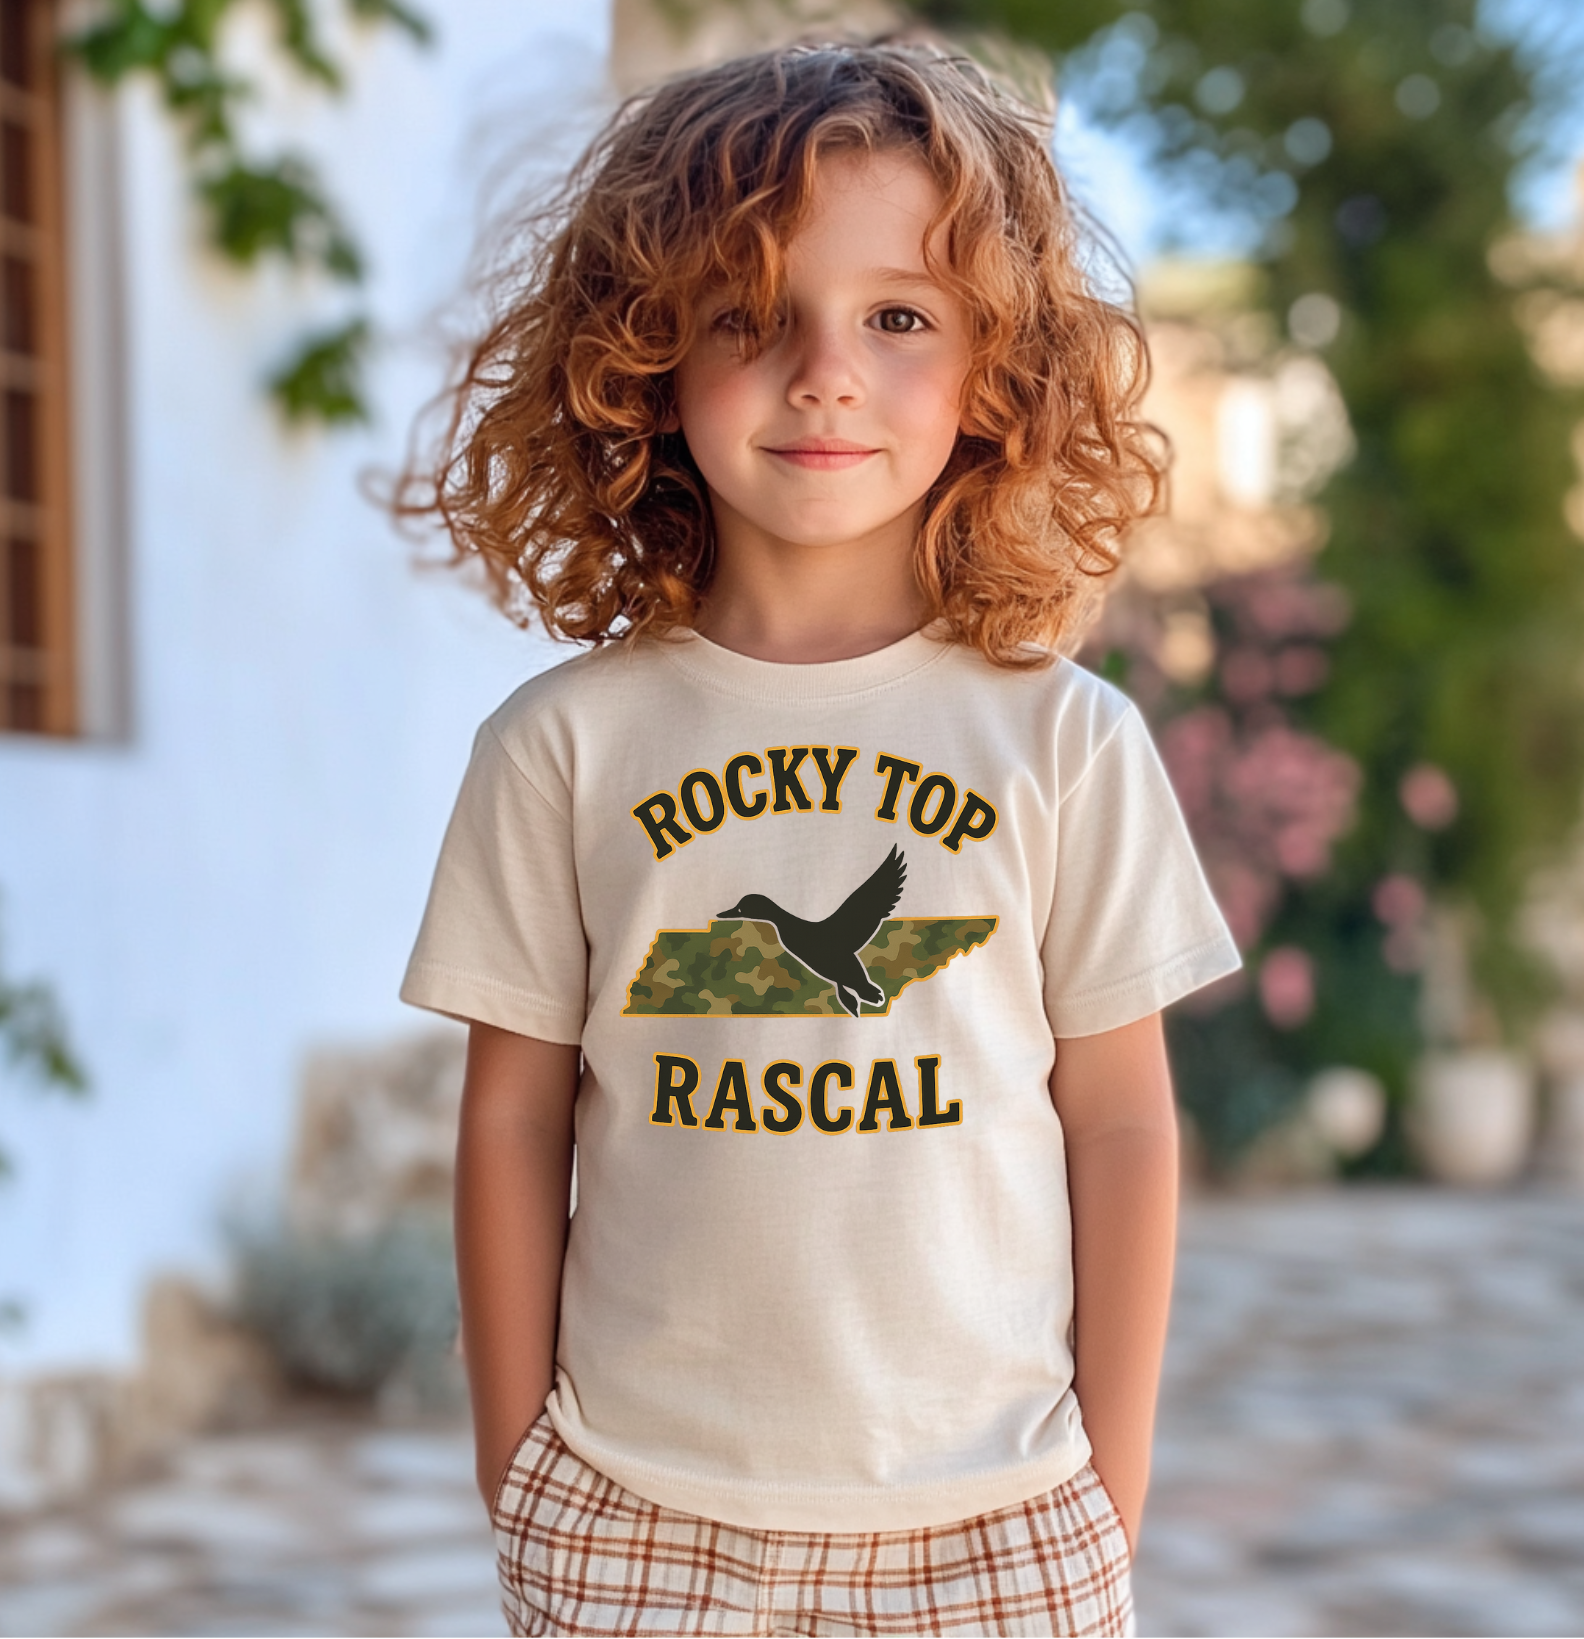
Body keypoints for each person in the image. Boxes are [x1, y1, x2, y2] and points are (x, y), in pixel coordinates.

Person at [396, 39, 1239, 1639]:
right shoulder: (560, 747)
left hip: (993, 1522)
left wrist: (1104, 1502)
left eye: (898, 316)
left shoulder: (1066, 742)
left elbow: (1124, 1120)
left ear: (998, 367)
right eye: (747, 313)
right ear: (644, 354)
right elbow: (512, 1118)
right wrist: (521, 1480)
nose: (823, 371)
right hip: (635, 1517)